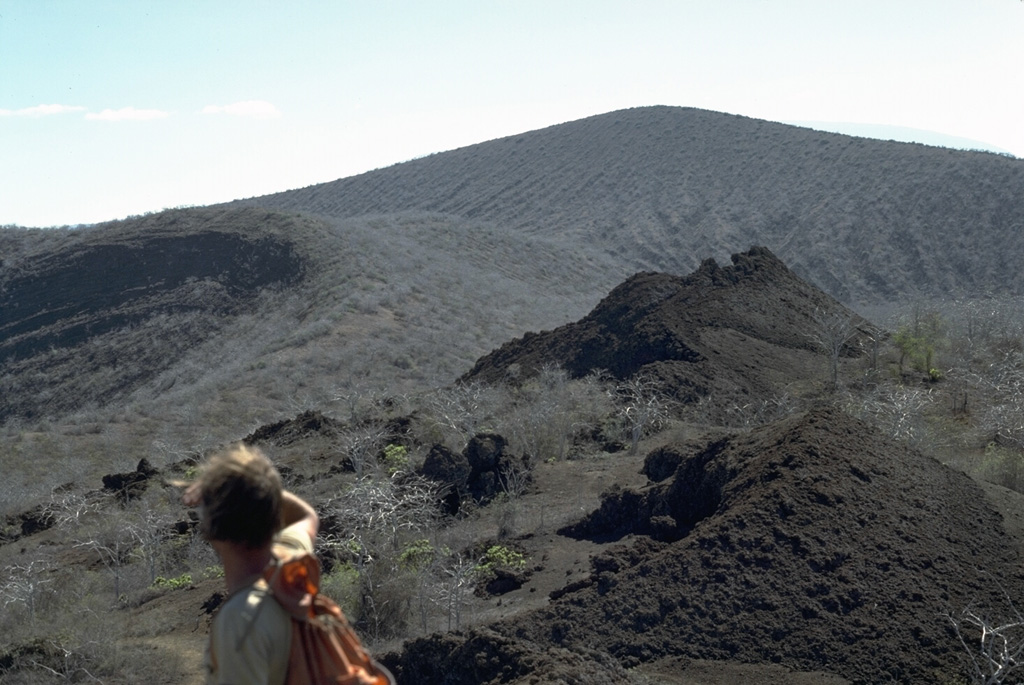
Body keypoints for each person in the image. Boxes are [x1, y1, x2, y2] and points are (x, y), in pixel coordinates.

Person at [181, 444, 319, 685]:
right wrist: (262, 488)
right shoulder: (290, 560)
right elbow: (306, 516)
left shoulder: (241, 620)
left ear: (211, 530)